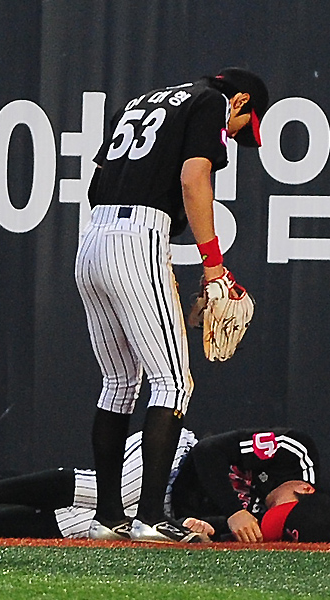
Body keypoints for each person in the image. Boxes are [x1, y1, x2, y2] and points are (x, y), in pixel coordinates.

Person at [74, 66, 269, 543]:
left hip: (93, 238)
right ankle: (149, 516)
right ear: (241, 101)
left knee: (119, 383)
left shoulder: (142, 100)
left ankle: (108, 517)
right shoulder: (212, 102)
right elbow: (193, 178)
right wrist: (213, 266)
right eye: (242, 125)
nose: (234, 133)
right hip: (138, 238)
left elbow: (96, 185)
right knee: (174, 383)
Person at [0, 427, 330, 544]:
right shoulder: (294, 452)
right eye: (279, 512)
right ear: (304, 490)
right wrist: (232, 510)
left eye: (275, 525)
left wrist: (211, 526)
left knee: (90, 527)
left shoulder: (277, 518)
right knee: (117, 493)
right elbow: (210, 452)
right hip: (172, 456)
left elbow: (230, 527)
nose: (268, 519)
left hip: (169, 510)